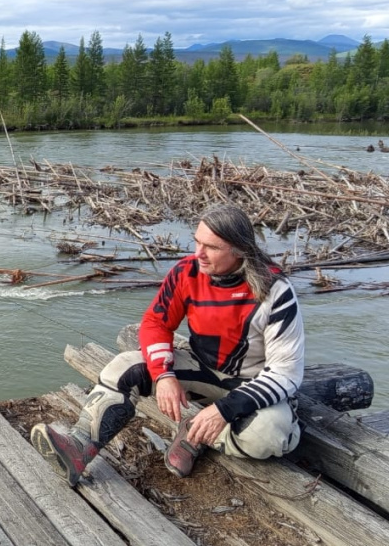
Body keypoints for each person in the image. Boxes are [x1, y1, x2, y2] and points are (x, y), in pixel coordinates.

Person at [32, 203, 305, 485]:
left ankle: (195, 434)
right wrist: (164, 374)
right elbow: (156, 323)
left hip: (251, 383)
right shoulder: (186, 272)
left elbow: (286, 372)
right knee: (125, 366)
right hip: (203, 370)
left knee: (270, 437)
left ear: (239, 250)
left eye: (211, 247)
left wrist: (224, 411)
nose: (198, 253)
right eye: (197, 241)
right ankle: (79, 446)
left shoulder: (276, 291)